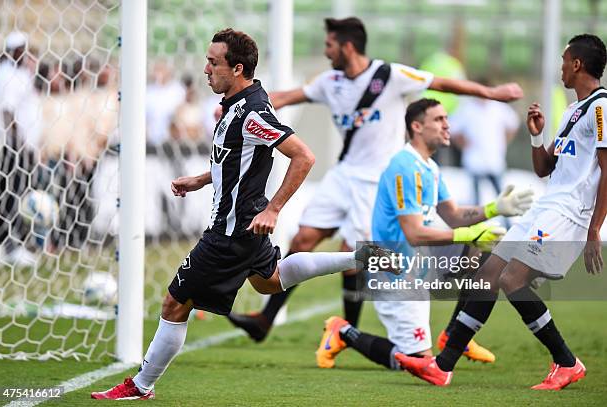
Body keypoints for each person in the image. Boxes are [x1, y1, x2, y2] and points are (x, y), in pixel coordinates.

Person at [91, 28, 395, 400]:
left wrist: (274, 208)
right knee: (270, 281)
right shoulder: (238, 104)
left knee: (174, 303)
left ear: (236, 69)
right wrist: (203, 179)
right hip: (246, 226)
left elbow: (304, 156)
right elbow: (237, 160)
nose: (205, 69)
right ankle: (359, 257)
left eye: (213, 62)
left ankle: (141, 385)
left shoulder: (252, 112)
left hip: (230, 233)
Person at [227, 16, 523, 343]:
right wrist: (238, 105)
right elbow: (287, 97)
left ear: (347, 46)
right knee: (302, 240)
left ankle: (344, 333)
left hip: (376, 180)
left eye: (329, 45)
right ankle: (266, 320)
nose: (326, 52)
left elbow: (440, 83)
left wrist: (492, 94)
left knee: (353, 251)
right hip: (343, 173)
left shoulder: (390, 75)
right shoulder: (330, 82)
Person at [396, 34, 607, 390]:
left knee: (512, 280)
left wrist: (593, 229)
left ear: (577, 64)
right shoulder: (574, 110)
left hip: (569, 213)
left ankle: (567, 363)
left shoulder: (602, 108)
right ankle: (443, 367)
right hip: (547, 204)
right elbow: (544, 168)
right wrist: (536, 137)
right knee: (488, 274)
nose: (560, 68)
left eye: (564, 60)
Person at [315, 98, 533, 370]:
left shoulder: (429, 167)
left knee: (484, 259)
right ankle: (343, 330)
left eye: (446, 119)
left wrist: (494, 207)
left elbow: (452, 215)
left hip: (420, 260)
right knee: (419, 363)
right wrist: (467, 235)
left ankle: (455, 334)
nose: (447, 125)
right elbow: (414, 233)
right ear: (417, 127)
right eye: (439, 119)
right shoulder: (405, 167)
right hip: (393, 268)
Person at [0, 31, 42, 266]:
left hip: (22, 144)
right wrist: (17, 143)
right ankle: (8, 245)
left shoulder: (21, 73)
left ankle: (11, 243)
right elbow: (7, 111)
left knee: (16, 193)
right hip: (13, 144)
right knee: (11, 194)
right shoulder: (8, 74)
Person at [449, 84, 520, 206]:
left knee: (501, 195)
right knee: (476, 198)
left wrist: (505, 141)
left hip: (494, 159)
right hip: (474, 159)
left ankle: (507, 223)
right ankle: (476, 223)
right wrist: (462, 143)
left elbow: (513, 124)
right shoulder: (467, 108)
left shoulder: (499, 107)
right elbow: (452, 129)